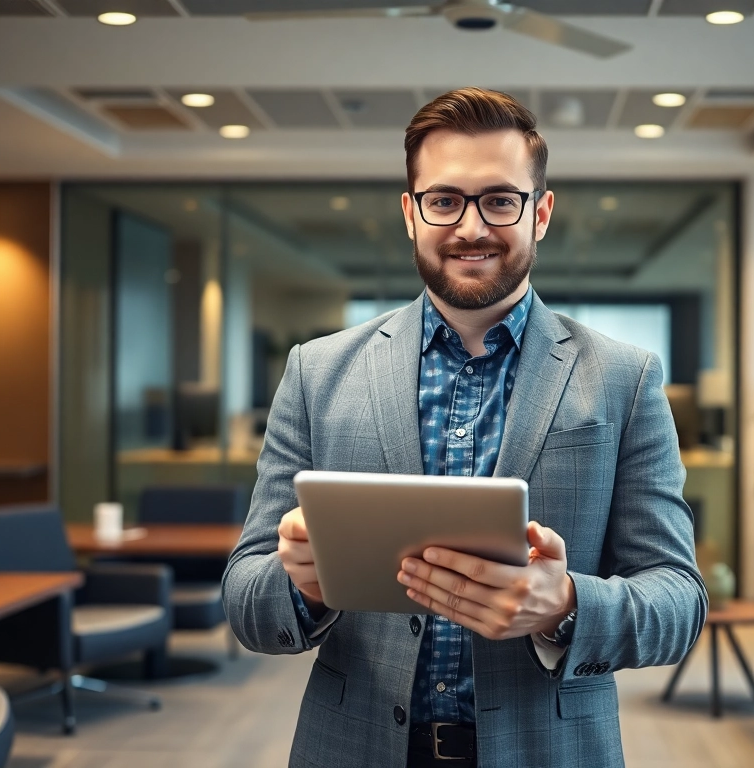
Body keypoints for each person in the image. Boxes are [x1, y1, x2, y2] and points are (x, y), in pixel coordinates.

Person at [223, 87, 706, 768]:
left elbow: (679, 602)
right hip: (353, 747)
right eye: (445, 200)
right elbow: (245, 597)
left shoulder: (625, 379)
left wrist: (565, 604)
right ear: (410, 213)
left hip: (549, 749)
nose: (471, 227)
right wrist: (299, 584)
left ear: (539, 213)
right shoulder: (317, 371)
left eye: (499, 200)